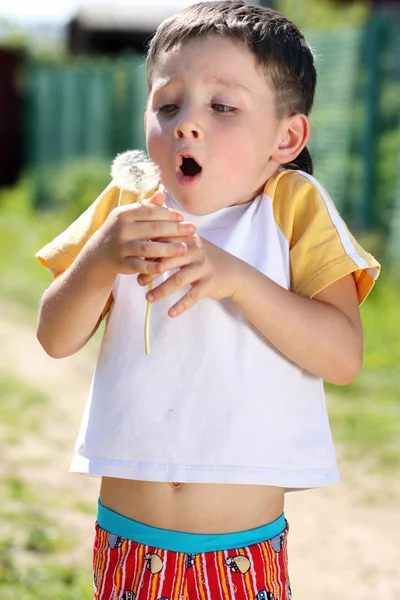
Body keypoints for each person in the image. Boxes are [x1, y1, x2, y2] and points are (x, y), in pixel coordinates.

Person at [35, 2, 380, 599]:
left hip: (239, 555)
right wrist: (100, 257)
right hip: (127, 542)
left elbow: (342, 355)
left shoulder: (292, 206)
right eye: (168, 105)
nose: (186, 124)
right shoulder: (128, 202)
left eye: (222, 107)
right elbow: (54, 337)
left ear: (287, 136)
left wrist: (237, 278)